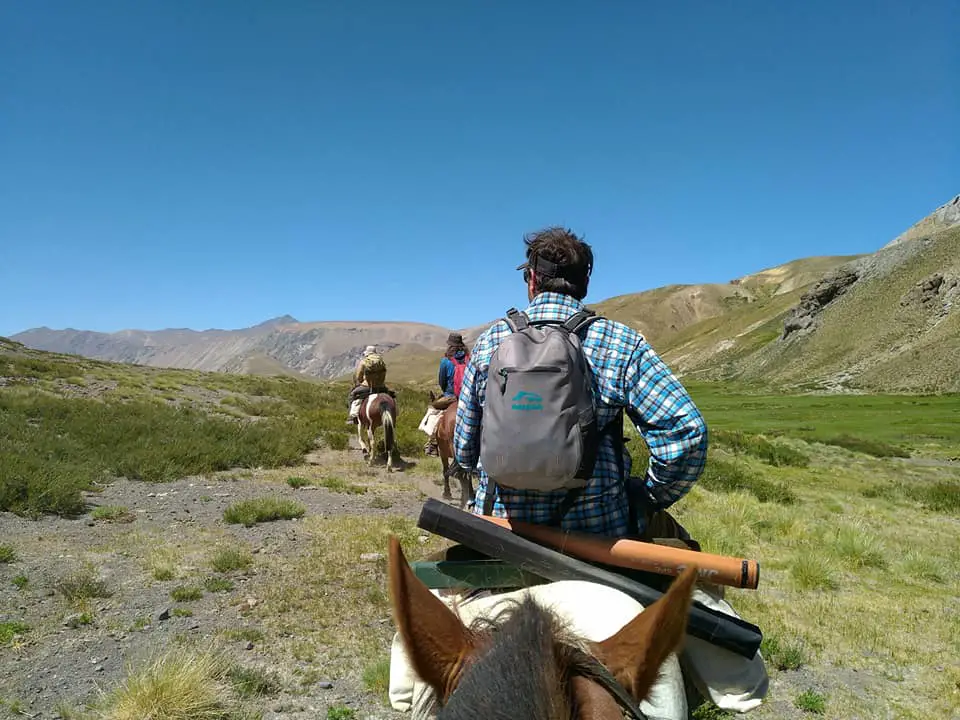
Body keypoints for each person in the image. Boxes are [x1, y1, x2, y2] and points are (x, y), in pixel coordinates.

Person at [453, 227, 708, 541]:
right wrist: (650, 496)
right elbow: (687, 432)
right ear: (583, 284)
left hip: (503, 532)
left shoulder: (491, 341)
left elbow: (464, 450)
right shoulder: (620, 342)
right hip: (599, 535)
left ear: (531, 279)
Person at [419, 333, 470, 456]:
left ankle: (432, 444)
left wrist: (446, 392)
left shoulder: (445, 361)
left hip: (451, 396)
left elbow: (441, 381)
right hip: (468, 396)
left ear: (449, 345)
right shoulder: (469, 358)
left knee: (433, 410)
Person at [346, 345, 389, 424]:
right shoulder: (381, 361)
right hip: (381, 386)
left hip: (367, 386)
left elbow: (358, 376)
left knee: (352, 395)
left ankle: (352, 417)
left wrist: (361, 382)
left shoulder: (364, 361)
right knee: (391, 395)